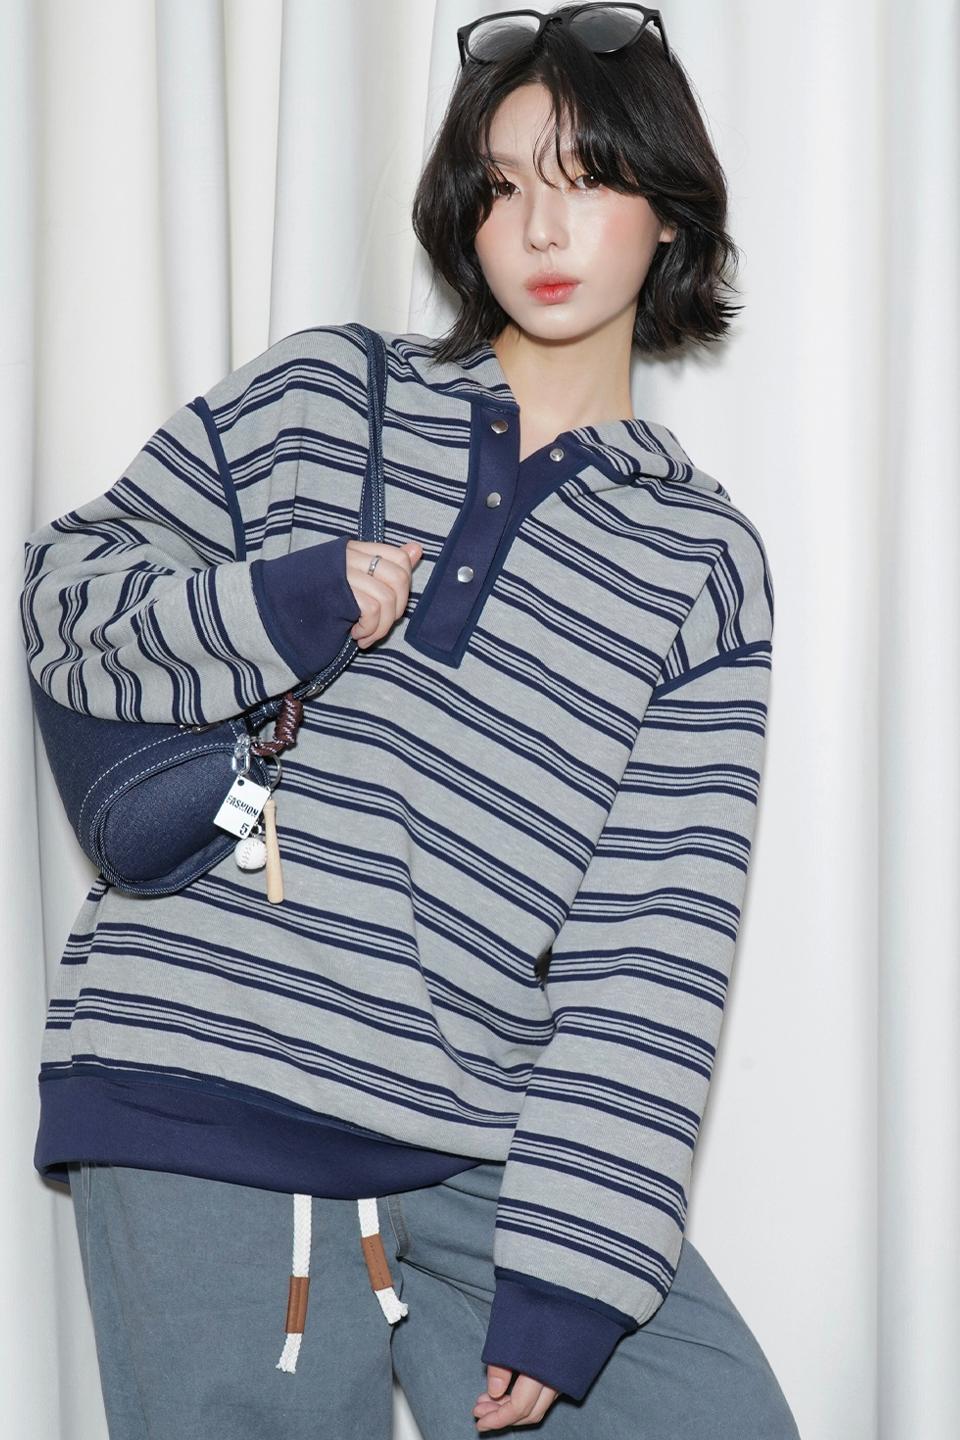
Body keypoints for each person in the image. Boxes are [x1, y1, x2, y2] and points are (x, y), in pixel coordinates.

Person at [21, 4, 800, 1437]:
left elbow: (654, 948)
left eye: (587, 177)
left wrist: (574, 1279)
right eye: (500, 186)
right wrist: (282, 606)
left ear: (671, 214)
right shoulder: (326, 395)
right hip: (210, 1066)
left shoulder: (701, 561)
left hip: (465, 1112)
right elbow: (68, 598)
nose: (540, 227)